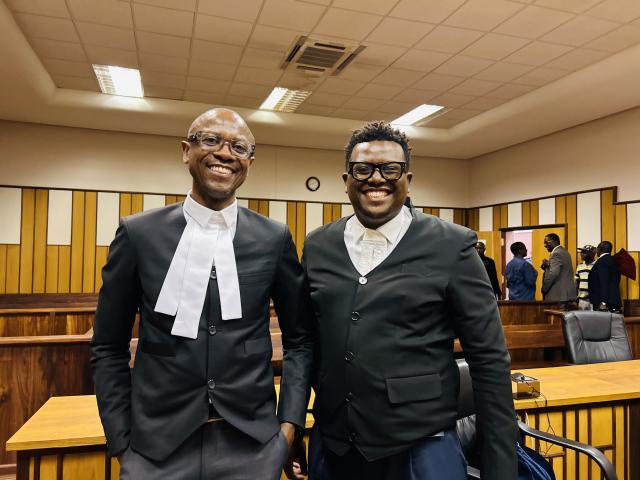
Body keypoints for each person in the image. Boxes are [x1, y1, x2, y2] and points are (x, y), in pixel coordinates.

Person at [91, 108, 312, 480]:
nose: (225, 153)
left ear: (249, 162)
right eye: (211, 140)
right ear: (185, 151)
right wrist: (122, 443)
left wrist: (288, 426)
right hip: (156, 450)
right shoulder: (138, 234)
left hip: (252, 446)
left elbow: (301, 341)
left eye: (239, 147)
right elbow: (108, 347)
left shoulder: (274, 238)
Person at [301, 121, 517, 480]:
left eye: (390, 168)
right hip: (334, 445)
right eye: (363, 169)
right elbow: (306, 342)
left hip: (422, 447)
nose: (376, 178)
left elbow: (489, 359)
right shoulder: (318, 244)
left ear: (407, 179)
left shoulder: (452, 245)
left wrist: (500, 465)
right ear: (346, 180)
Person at [541, 233, 576, 309]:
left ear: (554, 241)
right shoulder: (564, 252)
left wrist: (544, 288)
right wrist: (548, 265)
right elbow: (562, 271)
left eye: (546, 242)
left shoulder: (556, 253)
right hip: (565, 294)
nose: (545, 245)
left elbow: (553, 274)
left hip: (557, 295)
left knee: (557, 319)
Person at [588, 240, 622, 312]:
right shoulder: (614, 260)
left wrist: (603, 302)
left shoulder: (602, 261)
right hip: (613, 299)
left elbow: (604, 282)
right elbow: (617, 279)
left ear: (600, 249)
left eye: (597, 248)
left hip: (604, 302)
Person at [575, 245, 596, 310]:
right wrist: (575, 297)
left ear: (592, 254)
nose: (581, 254)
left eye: (584, 252)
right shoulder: (579, 266)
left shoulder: (597, 265)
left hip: (593, 300)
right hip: (581, 300)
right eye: (581, 252)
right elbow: (576, 282)